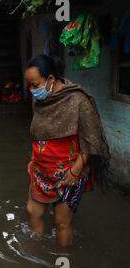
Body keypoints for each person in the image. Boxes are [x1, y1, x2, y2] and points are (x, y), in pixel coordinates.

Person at [25, 54, 111, 248]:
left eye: (34, 84)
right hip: (41, 169)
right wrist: (33, 159)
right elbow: (38, 133)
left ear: (51, 80)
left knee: (62, 222)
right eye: (29, 85)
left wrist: (76, 170)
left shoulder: (78, 100)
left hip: (69, 171)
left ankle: (63, 264)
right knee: (32, 212)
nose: (31, 90)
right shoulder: (40, 101)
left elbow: (91, 139)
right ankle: (36, 258)